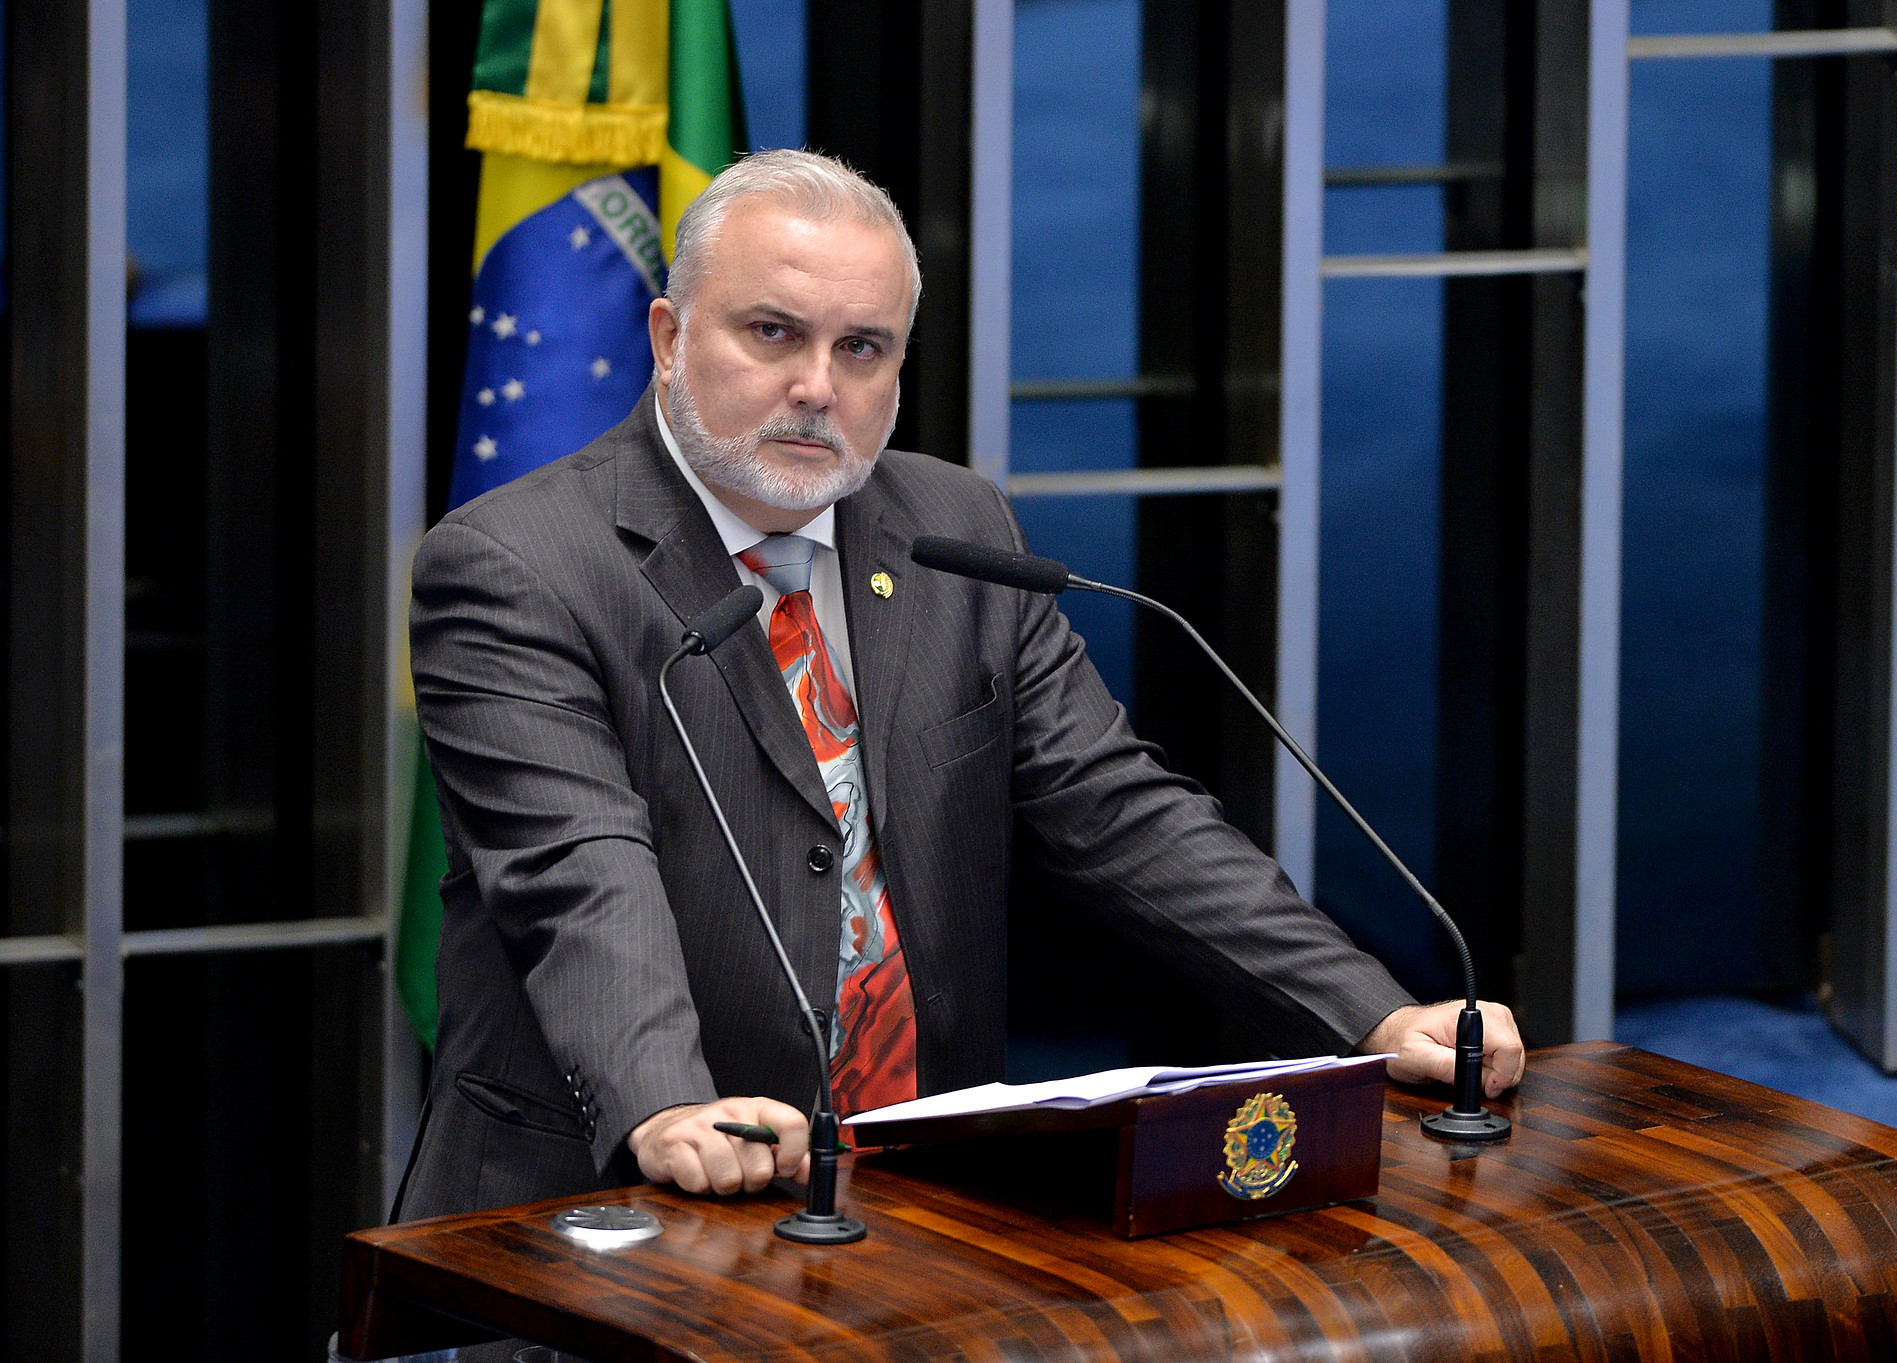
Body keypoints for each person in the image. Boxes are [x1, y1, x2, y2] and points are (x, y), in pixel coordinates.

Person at [397, 149, 1522, 1220]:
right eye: (771, 333)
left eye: (861, 349)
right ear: (668, 335)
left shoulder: (952, 529)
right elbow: (578, 870)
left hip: (916, 1186)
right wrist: (667, 1101)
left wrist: (1369, 1012)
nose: (814, 387)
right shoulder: (517, 565)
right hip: (608, 1200)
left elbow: (1118, 815)